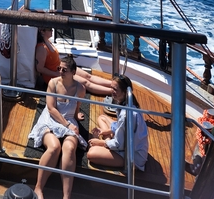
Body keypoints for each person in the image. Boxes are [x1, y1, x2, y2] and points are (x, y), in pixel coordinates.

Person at [28, 54, 87, 199]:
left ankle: (66, 196)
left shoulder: (80, 89)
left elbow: (77, 106)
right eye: (59, 68)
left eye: (64, 70)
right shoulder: (53, 84)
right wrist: (67, 124)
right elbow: (51, 108)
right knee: (55, 147)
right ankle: (38, 187)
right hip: (52, 119)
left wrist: (75, 116)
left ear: (74, 72)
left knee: (70, 148)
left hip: (68, 120)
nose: (60, 71)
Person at [87, 74, 149, 171]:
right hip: (125, 144)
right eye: (111, 88)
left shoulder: (126, 115)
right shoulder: (128, 103)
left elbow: (119, 144)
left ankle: (107, 143)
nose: (112, 91)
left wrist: (100, 142)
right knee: (102, 118)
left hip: (132, 156)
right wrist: (108, 131)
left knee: (91, 153)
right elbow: (120, 127)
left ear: (124, 92)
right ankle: (108, 140)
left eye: (115, 89)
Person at [35, 27, 112, 96]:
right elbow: (40, 68)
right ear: (42, 31)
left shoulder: (47, 41)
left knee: (88, 76)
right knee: (86, 83)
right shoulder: (42, 48)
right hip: (56, 74)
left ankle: (113, 84)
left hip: (62, 68)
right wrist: (56, 73)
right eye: (49, 29)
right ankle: (113, 91)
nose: (52, 30)